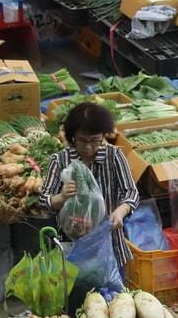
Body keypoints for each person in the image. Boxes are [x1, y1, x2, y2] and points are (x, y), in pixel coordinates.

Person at [41, 102, 139, 276]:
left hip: (110, 244)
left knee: (116, 299)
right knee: (77, 300)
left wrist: (121, 211)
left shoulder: (114, 156)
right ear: (72, 138)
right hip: (73, 248)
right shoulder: (60, 160)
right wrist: (61, 198)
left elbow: (131, 192)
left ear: (103, 136)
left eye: (94, 141)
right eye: (82, 141)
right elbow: (44, 200)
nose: (88, 148)